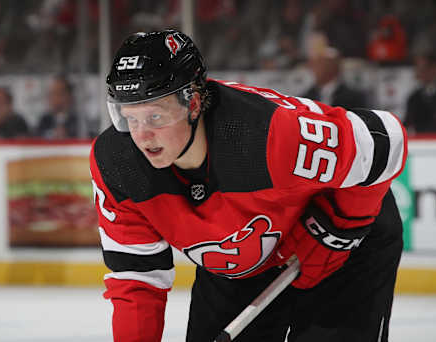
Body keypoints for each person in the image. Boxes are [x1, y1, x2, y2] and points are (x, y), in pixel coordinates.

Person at [90, 30, 407, 342]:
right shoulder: (118, 166)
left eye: (155, 117)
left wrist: (338, 228)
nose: (142, 137)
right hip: (240, 258)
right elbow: (136, 280)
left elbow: (385, 141)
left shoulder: (265, 135)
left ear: (194, 104)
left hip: (340, 242)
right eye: (129, 119)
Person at [301, 45, 367, 109]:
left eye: (321, 64)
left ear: (334, 66)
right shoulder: (307, 97)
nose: (315, 70)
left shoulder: (353, 98)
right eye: (315, 65)